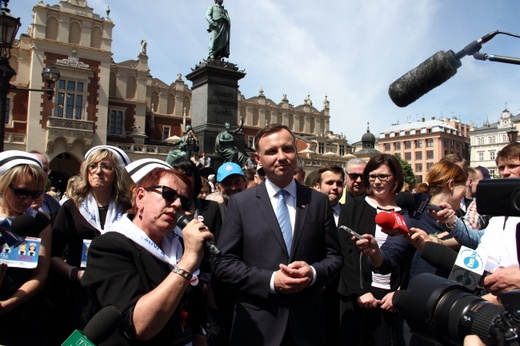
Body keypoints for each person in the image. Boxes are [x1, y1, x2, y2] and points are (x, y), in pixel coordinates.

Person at [213, 124, 343, 345]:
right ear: (258, 158)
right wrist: (271, 280)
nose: (282, 157)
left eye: (287, 149)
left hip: (308, 326)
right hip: (257, 327)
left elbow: (335, 258)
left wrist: (312, 273)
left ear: (296, 153)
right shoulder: (241, 203)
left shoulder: (318, 201)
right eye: (272, 151)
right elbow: (223, 263)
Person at [82, 167, 213, 344]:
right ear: (141, 197)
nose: (177, 204)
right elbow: (139, 326)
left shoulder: (180, 246)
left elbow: (196, 313)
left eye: (184, 202)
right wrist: (187, 262)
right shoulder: (109, 246)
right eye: (168, 194)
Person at [49, 145, 132, 342]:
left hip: (115, 293)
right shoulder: (71, 207)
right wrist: (76, 274)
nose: (98, 171)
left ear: (116, 174)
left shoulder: (127, 210)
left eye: (106, 166)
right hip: (78, 294)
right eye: (92, 166)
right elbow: (52, 255)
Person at [337, 153, 407, 346]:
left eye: (383, 176)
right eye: (372, 176)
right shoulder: (354, 207)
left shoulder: (407, 210)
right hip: (358, 296)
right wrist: (360, 291)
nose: (377, 182)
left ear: (396, 177)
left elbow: (412, 256)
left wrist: (401, 292)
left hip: (392, 299)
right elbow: (345, 252)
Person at [0, 151, 52, 344]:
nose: (28, 200)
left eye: (35, 193)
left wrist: (12, 302)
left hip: (23, 312)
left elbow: (41, 275)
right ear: (5, 185)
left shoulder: (40, 222)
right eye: (21, 192)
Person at [29, 150, 61, 219]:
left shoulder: (53, 203)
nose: (42, 174)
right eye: (37, 169)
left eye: (45, 170)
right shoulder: (14, 202)